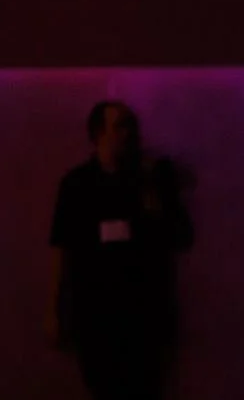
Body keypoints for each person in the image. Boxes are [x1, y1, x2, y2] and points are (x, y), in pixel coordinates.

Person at [47, 100, 194, 400]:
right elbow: (61, 248)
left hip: (142, 315)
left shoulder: (147, 181)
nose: (127, 134)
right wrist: (54, 309)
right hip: (94, 314)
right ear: (97, 133)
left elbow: (179, 236)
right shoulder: (77, 185)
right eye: (119, 126)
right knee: (103, 388)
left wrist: (156, 201)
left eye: (130, 126)